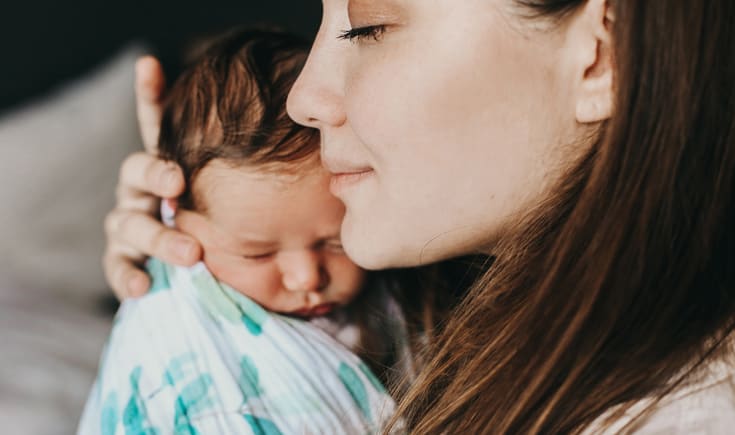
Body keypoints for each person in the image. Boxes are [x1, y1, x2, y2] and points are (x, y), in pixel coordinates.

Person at [102, 0, 735, 433]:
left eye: (368, 25)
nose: (303, 98)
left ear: (602, 53)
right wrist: (198, 305)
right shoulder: (446, 316)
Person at [79, 29, 404, 434]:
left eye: (334, 241)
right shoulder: (198, 379)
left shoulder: (404, 280)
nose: (307, 277)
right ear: (174, 220)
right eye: (258, 254)